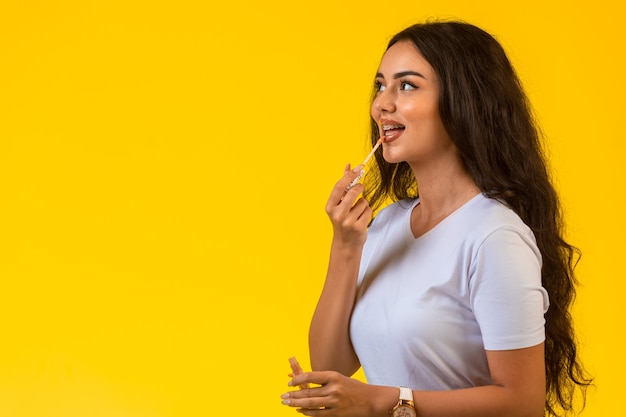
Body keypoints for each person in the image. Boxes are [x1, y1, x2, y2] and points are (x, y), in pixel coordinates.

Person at [280, 20, 592, 417]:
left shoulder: (494, 236)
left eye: (407, 85)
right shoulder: (387, 225)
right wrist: (344, 246)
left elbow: (522, 403)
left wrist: (384, 401)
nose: (382, 104)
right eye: (380, 85)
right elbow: (331, 369)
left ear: (461, 102)